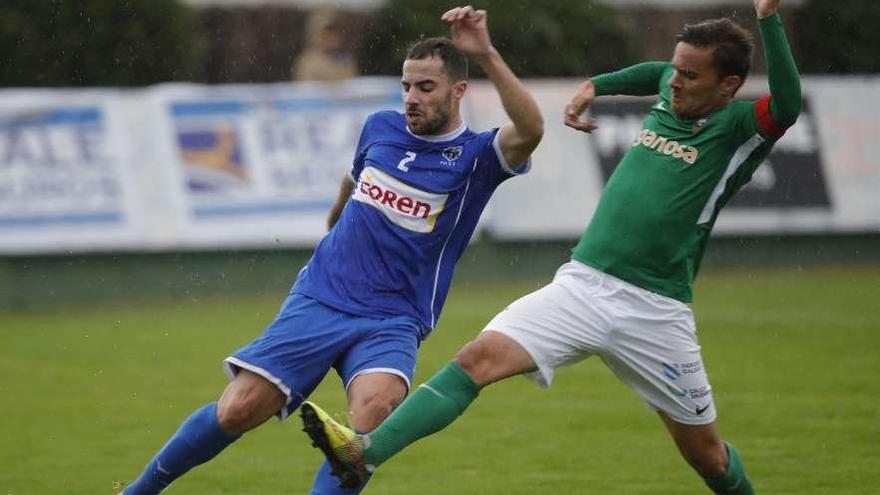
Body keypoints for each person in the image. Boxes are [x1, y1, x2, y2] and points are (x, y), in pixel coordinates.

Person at [300, 1, 800, 493]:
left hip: (654, 310)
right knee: (477, 360)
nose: (673, 81)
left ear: (728, 86)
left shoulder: (741, 129)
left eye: (690, 76)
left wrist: (767, 17)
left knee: (707, 458)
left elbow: (788, 103)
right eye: (676, 70)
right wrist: (596, 87)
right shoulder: (672, 95)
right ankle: (363, 454)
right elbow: (657, 71)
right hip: (582, 284)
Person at [118, 5, 543, 495]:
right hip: (323, 296)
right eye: (406, 86)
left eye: (426, 87)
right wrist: (335, 217)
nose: (411, 98)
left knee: (373, 416)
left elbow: (531, 129)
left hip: (394, 316)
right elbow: (354, 177)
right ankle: (139, 491)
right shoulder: (380, 126)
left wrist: (485, 53)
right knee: (239, 408)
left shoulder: (476, 157)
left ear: (458, 91)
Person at [292, 8, 359, 82]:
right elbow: (306, 88)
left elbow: (352, 85)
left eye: (334, 34)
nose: (332, 38)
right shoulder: (307, 62)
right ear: (317, 35)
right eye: (326, 34)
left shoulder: (346, 60)